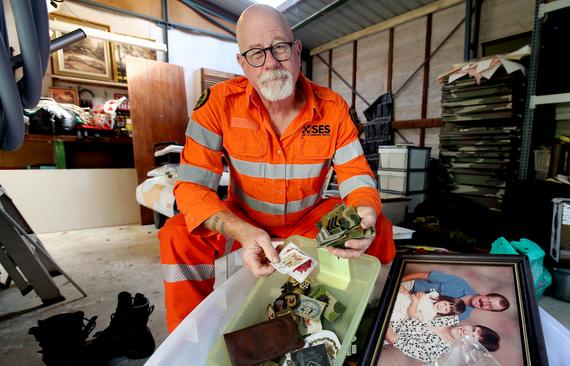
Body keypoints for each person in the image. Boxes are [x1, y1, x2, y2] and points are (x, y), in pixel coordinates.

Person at [158, 4, 396, 332]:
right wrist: (242, 231)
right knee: (177, 234)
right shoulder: (216, 104)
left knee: (378, 225)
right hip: (244, 221)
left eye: (279, 48)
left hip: (308, 220)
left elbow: (355, 174)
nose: (270, 62)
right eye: (256, 53)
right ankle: (188, 337)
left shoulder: (333, 108)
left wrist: (364, 209)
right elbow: (193, 186)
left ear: (297, 50)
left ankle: (371, 316)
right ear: (242, 63)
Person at [401, 271, 510, 320]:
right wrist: (397, 282)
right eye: (489, 300)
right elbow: (423, 275)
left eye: (490, 307)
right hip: (408, 287)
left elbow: (432, 319)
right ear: (487, 295)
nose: (485, 303)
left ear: (488, 311)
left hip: (409, 310)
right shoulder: (459, 282)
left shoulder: (464, 315)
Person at [386, 317, 500, 363]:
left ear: (469, 347)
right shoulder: (451, 317)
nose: (466, 331)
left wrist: (387, 316)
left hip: (383, 327)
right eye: (474, 329)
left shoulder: (435, 352)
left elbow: (393, 339)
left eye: (472, 337)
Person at [390, 282, 466, 323]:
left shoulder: (430, 315)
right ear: (444, 299)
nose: (442, 307)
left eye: (446, 309)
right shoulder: (434, 296)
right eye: (445, 304)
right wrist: (419, 294)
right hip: (405, 297)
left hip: (401, 311)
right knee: (399, 288)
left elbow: (411, 314)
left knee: (391, 313)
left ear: (444, 314)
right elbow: (419, 295)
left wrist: (415, 302)